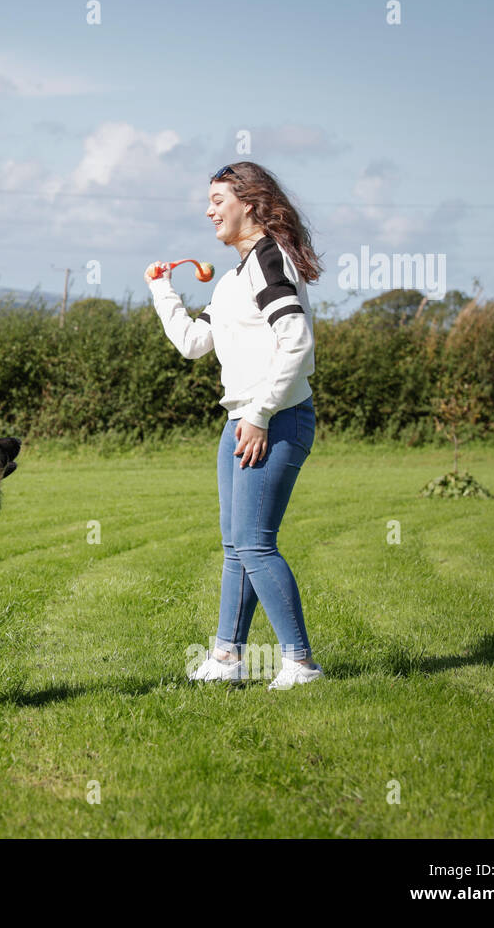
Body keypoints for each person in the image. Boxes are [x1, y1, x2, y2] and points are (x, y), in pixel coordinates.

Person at [146, 161, 323, 690]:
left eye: (218, 200)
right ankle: (226, 658)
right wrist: (163, 291)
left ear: (249, 202)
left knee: (255, 544)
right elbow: (195, 344)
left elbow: (296, 340)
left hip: (276, 418)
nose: (208, 210)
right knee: (236, 546)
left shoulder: (270, 259)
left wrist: (261, 413)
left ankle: (300, 664)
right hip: (245, 420)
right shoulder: (235, 277)